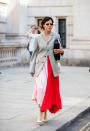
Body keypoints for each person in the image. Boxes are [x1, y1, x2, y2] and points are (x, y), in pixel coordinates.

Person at [30, 17, 64, 125]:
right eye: (48, 24)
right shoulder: (38, 38)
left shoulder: (56, 36)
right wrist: (32, 69)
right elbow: (34, 54)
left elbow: (61, 50)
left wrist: (61, 51)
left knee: (48, 90)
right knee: (41, 88)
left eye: (51, 24)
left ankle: (44, 113)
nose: (50, 26)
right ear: (43, 25)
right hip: (41, 66)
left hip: (52, 66)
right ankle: (40, 114)